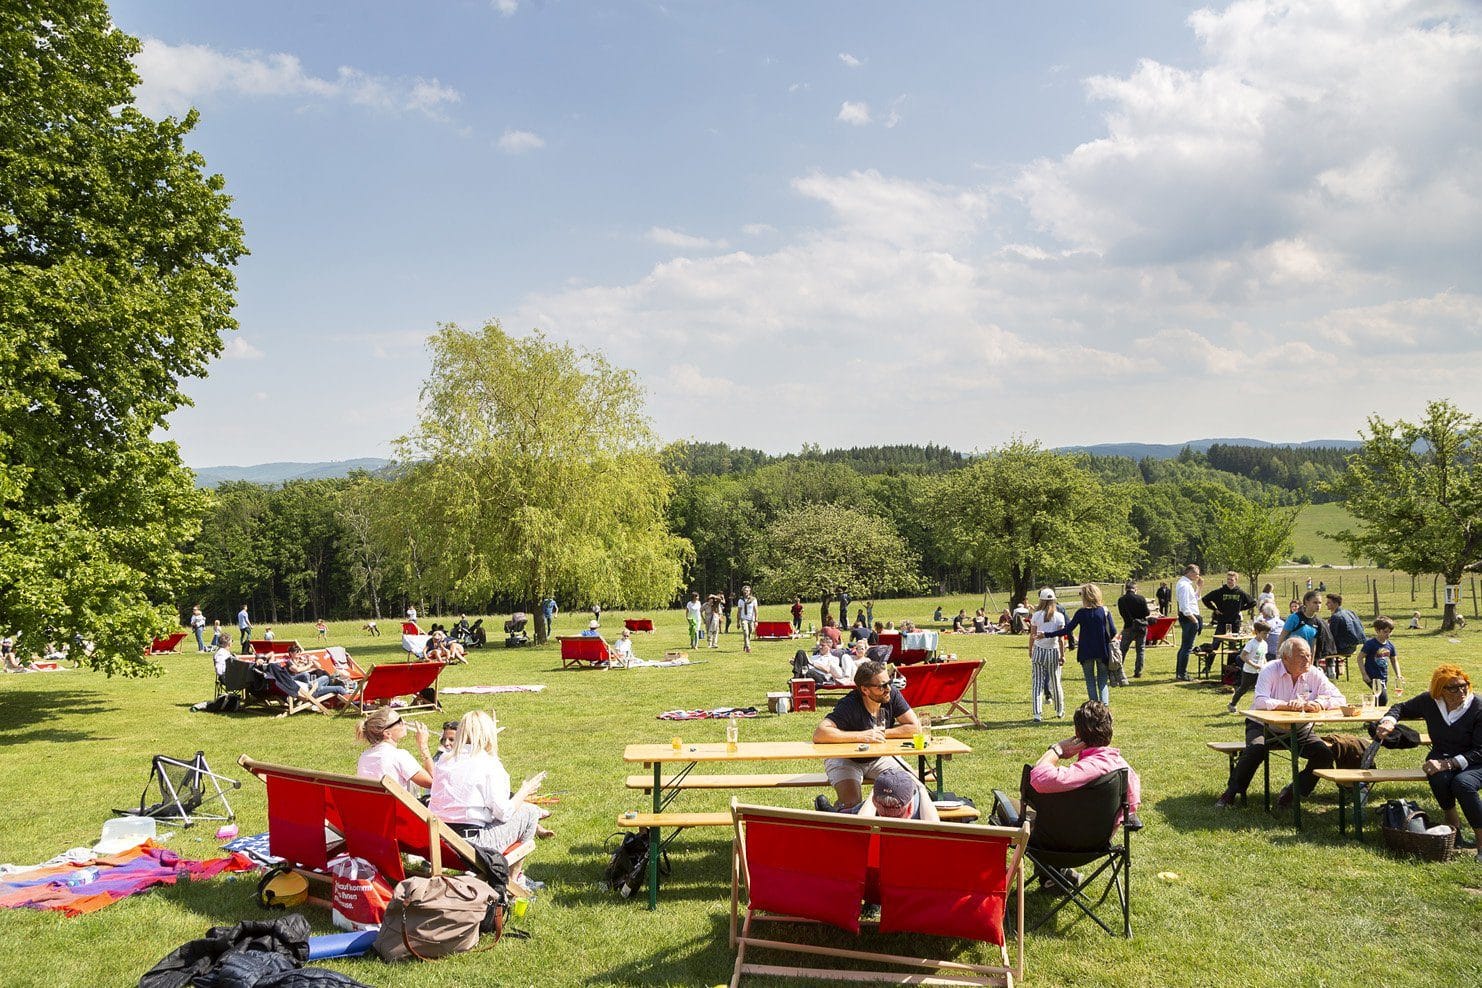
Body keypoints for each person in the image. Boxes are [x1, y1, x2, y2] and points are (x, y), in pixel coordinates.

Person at [1214, 638, 1344, 810]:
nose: (1308, 660)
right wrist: (1287, 705)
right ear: (1285, 657)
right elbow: (1260, 701)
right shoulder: (1270, 670)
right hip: (1263, 725)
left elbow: (1339, 698)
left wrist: (1320, 703)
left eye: (1309, 655)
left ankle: (1293, 792)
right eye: (1302, 656)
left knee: (1324, 754)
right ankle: (1231, 792)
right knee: (1255, 749)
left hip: (1298, 729)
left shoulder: (1314, 673)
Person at [1374, 664, 1482, 861]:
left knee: (1463, 784)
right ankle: (1453, 830)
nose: (1461, 691)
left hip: (1476, 761)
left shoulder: (1478, 707)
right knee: (1438, 776)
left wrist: (1449, 763)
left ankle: (1481, 843)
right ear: (1440, 690)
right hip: (1443, 756)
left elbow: (1480, 750)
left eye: (1464, 685)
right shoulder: (1430, 701)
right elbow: (1401, 707)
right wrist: (1388, 721)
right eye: (1454, 688)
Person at [429, 711, 554, 875]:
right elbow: (504, 813)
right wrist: (524, 791)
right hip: (470, 847)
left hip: (438, 842)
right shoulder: (489, 764)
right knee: (529, 811)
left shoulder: (444, 760)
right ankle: (514, 878)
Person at [811, 660, 923, 812]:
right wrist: (862, 736)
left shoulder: (891, 694)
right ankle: (834, 813)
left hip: (879, 757)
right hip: (845, 758)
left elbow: (915, 727)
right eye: (882, 686)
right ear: (865, 689)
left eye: (889, 682)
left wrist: (881, 734)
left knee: (911, 789)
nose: (888, 688)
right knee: (851, 803)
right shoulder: (849, 704)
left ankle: (835, 812)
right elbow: (820, 733)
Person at [1029, 701, 1141, 823]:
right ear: (1110, 730)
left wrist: (1057, 749)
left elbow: (1037, 777)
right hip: (1101, 839)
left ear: (1077, 733)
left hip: (1054, 835)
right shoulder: (1124, 769)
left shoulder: (1082, 771)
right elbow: (1132, 804)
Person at [1041, 584, 1117, 705]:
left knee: (1090, 681)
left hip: (1086, 652)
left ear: (1085, 597)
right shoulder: (1104, 611)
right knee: (1102, 682)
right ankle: (1104, 708)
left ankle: (1094, 708)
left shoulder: (1081, 613)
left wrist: (1047, 634)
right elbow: (1113, 631)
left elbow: (1067, 630)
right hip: (1102, 651)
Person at [356, 707, 434, 791]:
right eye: (399, 721)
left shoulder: (364, 756)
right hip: (396, 803)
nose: (404, 722)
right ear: (387, 733)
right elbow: (434, 783)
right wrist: (423, 745)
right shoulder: (399, 756)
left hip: (374, 803)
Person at [1029, 589, 1066, 723]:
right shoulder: (1059, 616)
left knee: (1037, 683)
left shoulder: (1036, 615)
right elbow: (1061, 639)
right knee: (1056, 682)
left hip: (1039, 650)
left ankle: (1037, 714)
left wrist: (1030, 650)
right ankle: (1059, 710)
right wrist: (1062, 655)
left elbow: (1032, 635)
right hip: (1053, 651)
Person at [854, 767, 939, 822]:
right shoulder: (923, 810)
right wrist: (921, 788)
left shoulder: (919, 805)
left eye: (896, 807)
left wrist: (874, 793)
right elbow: (934, 826)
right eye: (883, 806)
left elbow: (862, 825)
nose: (890, 814)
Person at [1227, 621, 1270, 713]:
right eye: (1264, 633)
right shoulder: (1251, 643)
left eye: (1268, 633)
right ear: (1257, 632)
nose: (1266, 635)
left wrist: (1265, 665)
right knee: (1243, 689)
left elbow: (1263, 657)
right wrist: (1254, 665)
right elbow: (1242, 656)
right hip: (1249, 671)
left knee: (1261, 689)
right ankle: (1232, 704)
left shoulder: (1264, 644)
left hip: (1260, 671)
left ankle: (1261, 707)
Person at [1361, 617, 1404, 705]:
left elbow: (1394, 660)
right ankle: (1376, 717)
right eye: (1385, 632)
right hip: (1372, 676)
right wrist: (1364, 674)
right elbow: (1359, 658)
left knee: (1378, 699)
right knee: (1383, 698)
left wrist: (1398, 675)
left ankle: (1372, 717)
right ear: (1377, 630)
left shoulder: (1390, 645)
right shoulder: (1370, 644)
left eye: (1390, 632)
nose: (1388, 634)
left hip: (1383, 676)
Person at [1202, 571, 1254, 636]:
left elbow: (1252, 602)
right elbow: (1205, 599)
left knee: (1233, 643)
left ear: (1236, 580)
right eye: (1228, 579)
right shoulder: (1220, 592)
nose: (1229, 581)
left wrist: (1241, 608)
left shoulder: (1240, 593)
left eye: (1231, 580)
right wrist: (1214, 609)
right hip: (1222, 620)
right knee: (1216, 642)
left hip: (1235, 621)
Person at [1324, 593, 1366, 673]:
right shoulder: (1350, 612)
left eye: (1329, 602)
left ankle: (1330, 671)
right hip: (1353, 647)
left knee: (1323, 647)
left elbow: (1331, 636)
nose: (1326, 604)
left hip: (1343, 648)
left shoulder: (1336, 616)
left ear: (1335, 603)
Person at [1116, 581, 1150, 679]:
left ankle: (1118, 670)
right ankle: (1138, 671)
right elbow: (1147, 613)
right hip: (1141, 627)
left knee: (1122, 649)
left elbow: (1122, 613)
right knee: (1140, 650)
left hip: (1128, 626)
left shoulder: (1121, 600)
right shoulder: (1141, 598)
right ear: (1135, 589)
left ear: (1125, 589)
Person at [1174, 565, 1202, 681]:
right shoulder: (1184, 586)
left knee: (1184, 647)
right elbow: (1185, 607)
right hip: (1189, 618)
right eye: (1196, 574)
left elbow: (1194, 599)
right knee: (1187, 648)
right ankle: (1182, 673)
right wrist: (1194, 620)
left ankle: (1180, 672)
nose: (1198, 576)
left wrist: (1199, 587)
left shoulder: (1187, 585)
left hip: (1190, 617)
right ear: (1189, 572)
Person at [736, 584, 759, 653]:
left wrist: (756, 620)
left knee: (750, 632)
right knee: (746, 632)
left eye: (747, 591)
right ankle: (748, 647)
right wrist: (738, 622)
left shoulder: (753, 600)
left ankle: (745, 644)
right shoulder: (740, 600)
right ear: (743, 592)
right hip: (744, 619)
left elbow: (756, 610)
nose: (746, 592)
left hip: (751, 619)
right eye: (744, 591)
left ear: (749, 591)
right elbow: (739, 612)